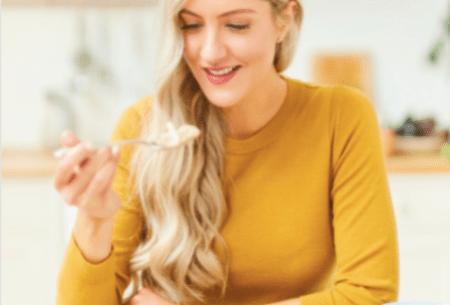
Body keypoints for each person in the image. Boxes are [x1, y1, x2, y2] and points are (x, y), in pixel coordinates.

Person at [55, 0, 399, 304]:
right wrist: (94, 220)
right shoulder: (143, 127)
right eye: (191, 25)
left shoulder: (340, 116)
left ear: (283, 20)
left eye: (236, 25)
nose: (210, 52)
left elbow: (369, 290)